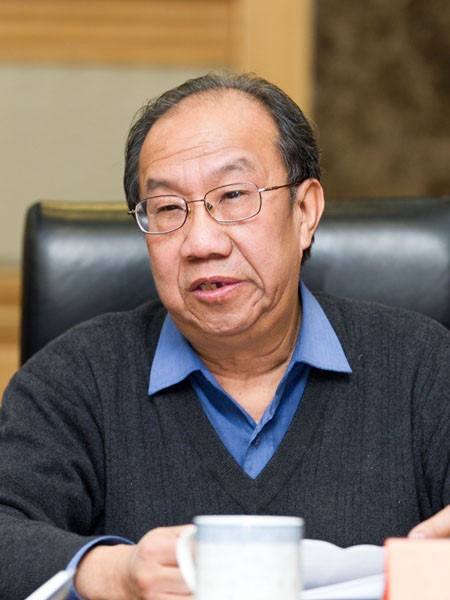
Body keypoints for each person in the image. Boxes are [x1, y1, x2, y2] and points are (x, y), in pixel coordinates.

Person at [1, 72, 450, 600]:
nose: (201, 242)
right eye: (168, 208)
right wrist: (111, 574)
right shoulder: (74, 379)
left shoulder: (424, 366)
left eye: (234, 195)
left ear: (305, 212)